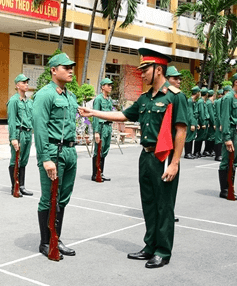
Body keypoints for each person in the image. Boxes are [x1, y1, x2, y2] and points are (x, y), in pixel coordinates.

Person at [79, 48, 187, 268]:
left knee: (163, 206)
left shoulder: (175, 97)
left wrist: (175, 163)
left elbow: (181, 131)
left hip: (163, 157)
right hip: (145, 157)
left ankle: (163, 251)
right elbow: (124, 115)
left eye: (145, 70)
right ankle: (150, 246)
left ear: (158, 70)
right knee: (148, 204)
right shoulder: (145, 98)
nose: (142, 74)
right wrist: (94, 113)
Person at [33, 52, 79, 259]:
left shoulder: (70, 96)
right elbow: (40, 127)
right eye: (65, 67)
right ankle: (46, 242)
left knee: (63, 198)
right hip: (54, 152)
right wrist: (45, 158)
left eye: (71, 67)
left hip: (70, 152)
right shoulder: (45, 94)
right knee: (50, 198)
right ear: (53, 70)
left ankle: (56, 237)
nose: (70, 70)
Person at [7, 73, 34, 196]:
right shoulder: (13, 101)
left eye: (27, 82)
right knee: (16, 160)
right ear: (17, 85)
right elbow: (11, 121)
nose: (26, 85)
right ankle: (15, 187)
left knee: (24, 160)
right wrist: (13, 138)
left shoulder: (29, 101)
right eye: (23, 83)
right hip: (19, 133)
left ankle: (21, 185)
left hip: (28, 133)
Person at [218, 74, 237, 198]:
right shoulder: (229, 98)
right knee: (227, 160)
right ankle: (225, 190)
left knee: (234, 161)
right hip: (231, 132)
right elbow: (225, 118)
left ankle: (231, 187)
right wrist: (227, 138)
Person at [91, 78, 114, 181]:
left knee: (105, 150)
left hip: (108, 127)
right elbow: (95, 115)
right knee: (98, 150)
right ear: (103, 86)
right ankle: (95, 174)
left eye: (111, 85)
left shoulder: (109, 100)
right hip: (101, 127)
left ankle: (101, 172)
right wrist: (96, 131)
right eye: (108, 85)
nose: (110, 87)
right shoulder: (98, 99)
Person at [184, 86, 200, 159]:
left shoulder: (194, 101)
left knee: (192, 137)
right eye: (199, 92)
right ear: (196, 93)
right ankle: (187, 153)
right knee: (189, 138)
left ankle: (190, 152)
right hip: (190, 122)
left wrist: (196, 123)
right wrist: (193, 124)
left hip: (193, 121)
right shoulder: (190, 101)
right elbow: (190, 113)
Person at [194, 87, 209, 157]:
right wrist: (203, 123)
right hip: (201, 121)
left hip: (204, 121)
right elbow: (201, 113)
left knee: (202, 137)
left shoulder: (202, 101)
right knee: (199, 137)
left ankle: (198, 152)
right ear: (206, 94)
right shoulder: (201, 102)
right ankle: (196, 152)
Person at [213, 88, 225, 161]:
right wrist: (220, 123)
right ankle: (218, 155)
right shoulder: (218, 102)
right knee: (219, 139)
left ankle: (221, 154)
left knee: (222, 139)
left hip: (224, 122)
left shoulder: (225, 101)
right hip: (219, 123)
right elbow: (218, 113)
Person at [204, 89, 217, 157]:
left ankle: (209, 150)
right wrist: (214, 123)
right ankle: (208, 150)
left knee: (210, 136)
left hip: (210, 122)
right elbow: (211, 114)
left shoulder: (208, 102)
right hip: (210, 122)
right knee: (211, 137)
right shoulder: (209, 103)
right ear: (213, 95)